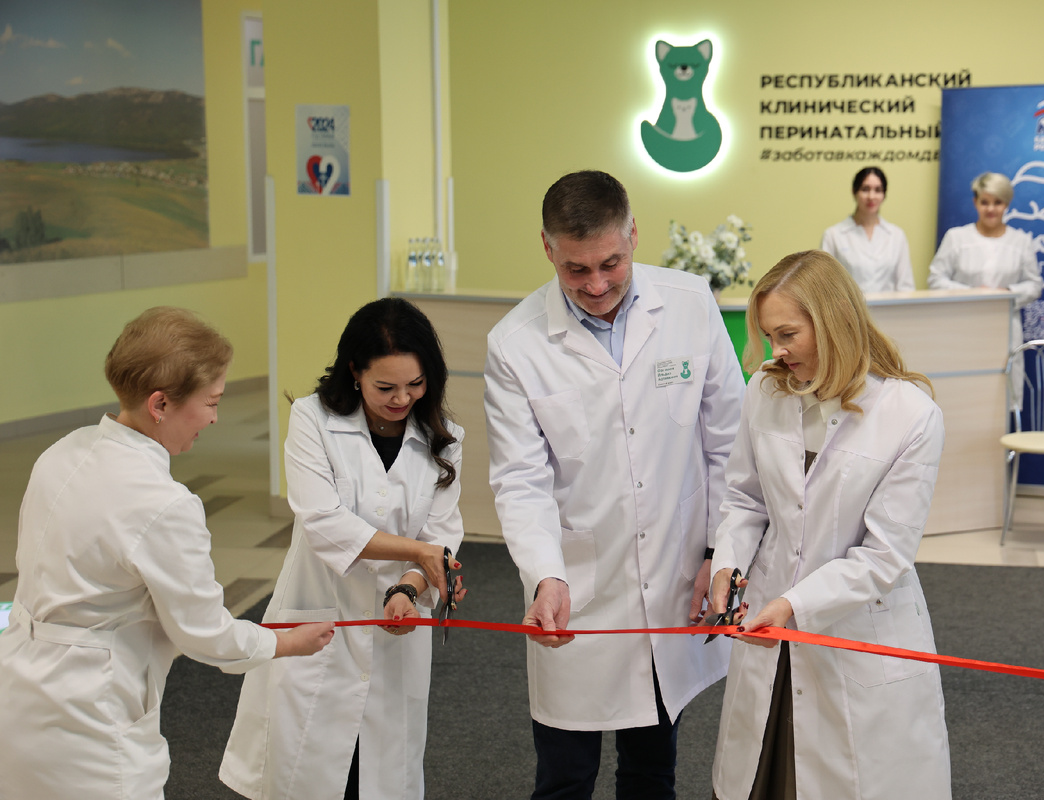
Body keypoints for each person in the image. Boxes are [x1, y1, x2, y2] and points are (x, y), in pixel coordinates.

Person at [0, 307, 335, 800]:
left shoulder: (63, 451)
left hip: (18, 694)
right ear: (159, 404)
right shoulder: (163, 504)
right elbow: (205, 634)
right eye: (211, 402)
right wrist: (285, 643)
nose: (215, 418)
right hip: (90, 719)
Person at [485, 169, 745, 799]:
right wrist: (545, 575)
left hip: (674, 575)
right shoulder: (515, 344)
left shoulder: (689, 303)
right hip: (576, 585)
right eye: (576, 270)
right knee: (566, 775)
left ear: (633, 235)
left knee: (653, 769)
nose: (597, 285)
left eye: (611, 264)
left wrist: (720, 552)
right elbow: (521, 480)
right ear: (547, 249)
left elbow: (729, 445)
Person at [708, 251, 952, 800]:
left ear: (833, 321)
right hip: (769, 625)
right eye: (769, 336)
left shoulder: (911, 416)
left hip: (856, 630)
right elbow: (745, 500)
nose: (777, 351)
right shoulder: (765, 391)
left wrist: (794, 603)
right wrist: (728, 563)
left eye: (788, 334)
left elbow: (885, 555)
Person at [220, 298, 467, 800]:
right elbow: (323, 522)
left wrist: (408, 587)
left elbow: (439, 534)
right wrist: (420, 556)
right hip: (319, 618)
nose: (402, 398)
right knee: (308, 771)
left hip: (395, 628)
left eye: (416, 384)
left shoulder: (444, 437)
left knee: (381, 775)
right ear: (354, 372)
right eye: (385, 387)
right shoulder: (312, 419)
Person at [927, 171, 1041, 352]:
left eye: (998, 203)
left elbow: (1034, 285)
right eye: (985, 202)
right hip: (961, 326)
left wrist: (1007, 293)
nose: (990, 209)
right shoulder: (956, 237)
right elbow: (935, 280)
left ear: (1006, 204)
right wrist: (972, 294)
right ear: (975, 202)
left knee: (1005, 370)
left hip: (1006, 331)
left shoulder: (1021, 241)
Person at [820, 166, 915, 292]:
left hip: (889, 305)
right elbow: (825, 287)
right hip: (849, 305)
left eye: (878, 190)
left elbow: (906, 287)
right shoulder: (833, 235)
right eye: (865, 189)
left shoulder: (896, 235)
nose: (871, 196)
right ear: (854, 192)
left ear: (884, 195)